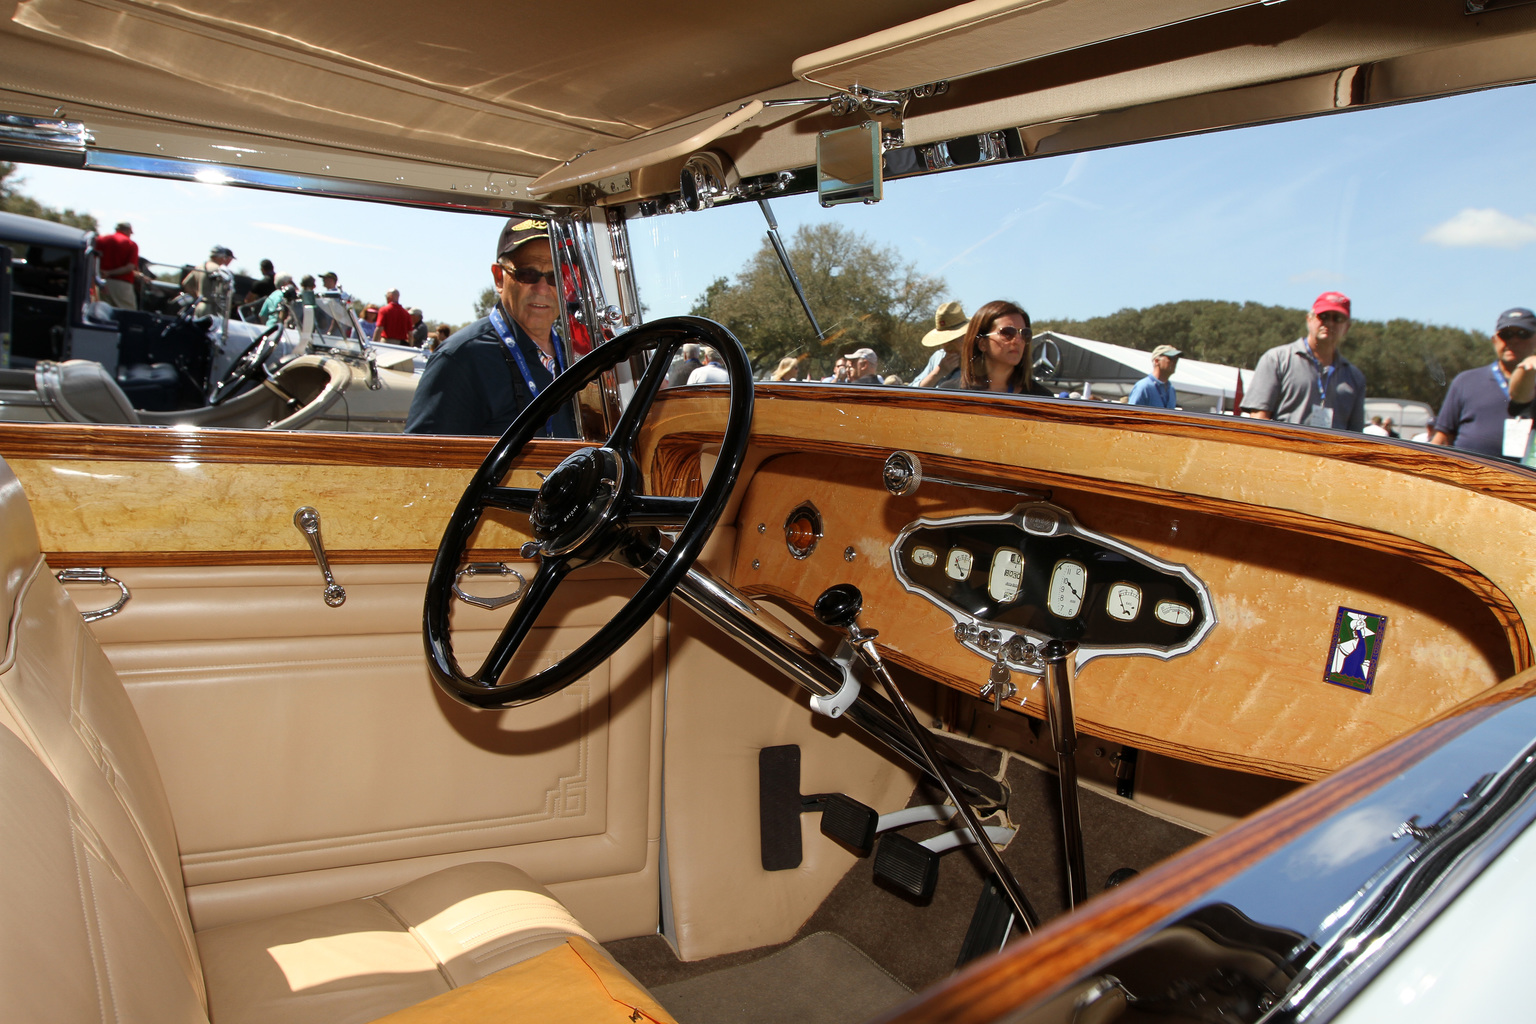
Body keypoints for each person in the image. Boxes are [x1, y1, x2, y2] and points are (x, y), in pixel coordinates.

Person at [405, 218, 577, 437]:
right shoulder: (461, 359)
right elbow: (423, 464)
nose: (542, 289)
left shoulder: (576, 359)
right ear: (499, 278)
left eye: (555, 276)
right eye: (527, 274)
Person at [1241, 291, 1365, 430]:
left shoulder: (1355, 377)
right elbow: (1258, 420)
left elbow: (1356, 435)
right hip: (1284, 450)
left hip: (1329, 452)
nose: (1329, 323)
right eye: (1323, 316)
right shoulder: (1276, 359)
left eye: (1337, 318)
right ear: (1309, 319)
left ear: (1347, 327)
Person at [1431, 307, 1536, 457]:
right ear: (1494, 340)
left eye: (1522, 334)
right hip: (1467, 478)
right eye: (1506, 334)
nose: (1513, 340)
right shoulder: (1465, 381)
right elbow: (1442, 439)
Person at [939, 299, 1053, 396]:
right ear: (982, 343)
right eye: (1008, 333)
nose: (1018, 340)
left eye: (1025, 334)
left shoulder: (1041, 398)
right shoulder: (951, 393)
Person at [912, 301, 968, 387]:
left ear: (966, 336)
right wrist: (937, 373)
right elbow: (912, 391)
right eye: (943, 341)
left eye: (952, 340)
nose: (947, 346)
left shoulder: (982, 360)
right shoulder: (938, 357)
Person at [94, 222, 141, 309]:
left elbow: (93, 259)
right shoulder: (131, 244)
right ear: (128, 231)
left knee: (103, 312)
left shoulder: (101, 240)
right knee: (127, 314)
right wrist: (109, 272)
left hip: (101, 283)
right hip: (122, 285)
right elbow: (130, 267)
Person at [181, 245, 236, 317]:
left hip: (199, 305)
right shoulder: (219, 269)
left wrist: (197, 296)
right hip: (212, 308)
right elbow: (227, 291)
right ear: (219, 257)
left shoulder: (199, 267)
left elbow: (186, 284)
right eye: (223, 257)